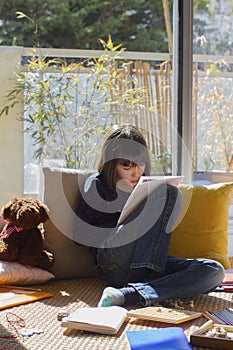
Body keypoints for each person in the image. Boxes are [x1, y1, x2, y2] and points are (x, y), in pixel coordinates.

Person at [76, 124, 224, 307]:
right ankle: (151, 286)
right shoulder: (96, 184)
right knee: (168, 192)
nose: (136, 172)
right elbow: (79, 237)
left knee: (214, 271)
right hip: (113, 264)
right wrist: (122, 223)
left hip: (149, 262)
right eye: (126, 165)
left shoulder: (145, 187)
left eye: (140, 164)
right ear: (111, 163)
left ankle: (129, 294)